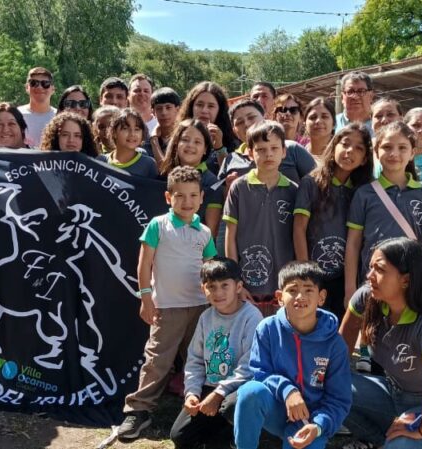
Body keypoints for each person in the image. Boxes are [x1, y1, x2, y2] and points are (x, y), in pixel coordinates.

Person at [340, 238, 422, 449]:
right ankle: (384, 441)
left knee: (401, 445)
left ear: (406, 280)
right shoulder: (367, 297)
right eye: (371, 267)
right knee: (330, 389)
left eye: (379, 270)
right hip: (396, 394)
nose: (369, 275)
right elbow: (342, 342)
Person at [117, 166, 218, 440]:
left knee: (200, 360)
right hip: (166, 307)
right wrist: (145, 297)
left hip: (200, 309)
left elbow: (210, 268)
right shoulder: (158, 225)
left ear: (202, 197)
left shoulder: (204, 232)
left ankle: (202, 411)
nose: (187, 201)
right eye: (180, 195)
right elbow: (144, 264)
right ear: (168, 197)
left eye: (193, 195)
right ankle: (138, 411)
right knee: (157, 361)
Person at [233, 261, 351, 449]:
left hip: (311, 420)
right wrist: (288, 390)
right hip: (277, 409)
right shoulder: (267, 329)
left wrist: (319, 425)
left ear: (321, 297)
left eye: (308, 290)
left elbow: (339, 399)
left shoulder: (335, 343)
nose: (300, 296)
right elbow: (261, 373)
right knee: (250, 392)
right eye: (292, 290)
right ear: (280, 297)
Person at [169, 257, 263, 449]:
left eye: (224, 285)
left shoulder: (252, 317)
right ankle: (219, 427)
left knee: (230, 408)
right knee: (180, 436)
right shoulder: (206, 317)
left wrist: (219, 394)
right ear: (203, 289)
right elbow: (195, 359)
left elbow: (249, 366)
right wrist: (192, 393)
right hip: (209, 386)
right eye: (211, 287)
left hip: (239, 389)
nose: (218, 293)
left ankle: (239, 434)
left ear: (238, 287)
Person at [344, 121, 422, 303]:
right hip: (372, 282)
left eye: (402, 148)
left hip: (412, 283)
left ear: (412, 153)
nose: (394, 153)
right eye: (387, 147)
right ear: (376, 152)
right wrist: (350, 288)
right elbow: (353, 243)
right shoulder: (364, 194)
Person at [293, 123, 374, 318]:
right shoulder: (311, 182)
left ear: (365, 159)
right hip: (316, 273)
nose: (349, 151)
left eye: (358, 148)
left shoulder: (365, 190)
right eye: (345, 144)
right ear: (333, 146)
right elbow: (299, 228)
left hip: (349, 276)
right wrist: (306, 273)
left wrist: (350, 287)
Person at [223, 121, 298, 316]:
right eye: (261, 149)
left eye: (274, 148)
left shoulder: (294, 190)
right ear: (250, 153)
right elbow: (230, 237)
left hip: (285, 285)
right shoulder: (239, 188)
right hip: (248, 287)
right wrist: (235, 281)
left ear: (284, 151)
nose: (268, 154)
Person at [218, 99, 317, 185]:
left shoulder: (292, 149)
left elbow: (318, 185)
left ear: (265, 118)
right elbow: (221, 196)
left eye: (251, 117)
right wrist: (229, 188)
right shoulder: (230, 160)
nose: (246, 124)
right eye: (239, 122)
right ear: (234, 131)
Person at [158, 119, 222, 238]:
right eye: (185, 140)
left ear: (205, 149)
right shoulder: (163, 175)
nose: (190, 145)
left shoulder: (212, 184)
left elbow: (211, 233)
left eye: (197, 142)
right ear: (176, 143)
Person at [178, 82, 237, 172]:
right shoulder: (179, 134)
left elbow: (230, 174)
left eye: (211, 106)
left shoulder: (231, 138)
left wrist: (219, 147)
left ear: (219, 110)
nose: (204, 110)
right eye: (199, 105)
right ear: (191, 107)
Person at [106, 108, 158, 178]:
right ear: (114, 132)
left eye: (137, 129)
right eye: (125, 128)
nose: (132, 134)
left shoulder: (149, 164)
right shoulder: (101, 161)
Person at [19, 67, 57, 149]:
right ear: (27, 87)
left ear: (53, 89)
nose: (39, 87)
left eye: (45, 84)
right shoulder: (16, 115)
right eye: (34, 83)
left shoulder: (59, 117)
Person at [149, 87, 182, 162]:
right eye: (159, 108)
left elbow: (164, 167)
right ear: (153, 112)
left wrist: (154, 141)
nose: (164, 113)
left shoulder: (184, 137)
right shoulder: (148, 141)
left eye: (168, 107)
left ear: (177, 110)